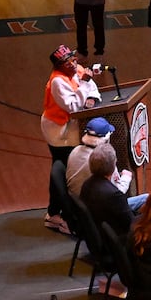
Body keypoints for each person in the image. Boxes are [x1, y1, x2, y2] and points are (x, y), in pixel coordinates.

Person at [41, 44, 102, 233]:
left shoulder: (75, 70)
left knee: (61, 171)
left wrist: (91, 97)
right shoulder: (57, 82)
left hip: (69, 130)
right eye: (68, 61)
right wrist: (84, 84)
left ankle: (55, 212)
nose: (73, 63)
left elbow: (91, 85)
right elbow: (74, 106)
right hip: (59, 133)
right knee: (61, 173)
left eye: (73, 58)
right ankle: (56, 214)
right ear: (59, 65)